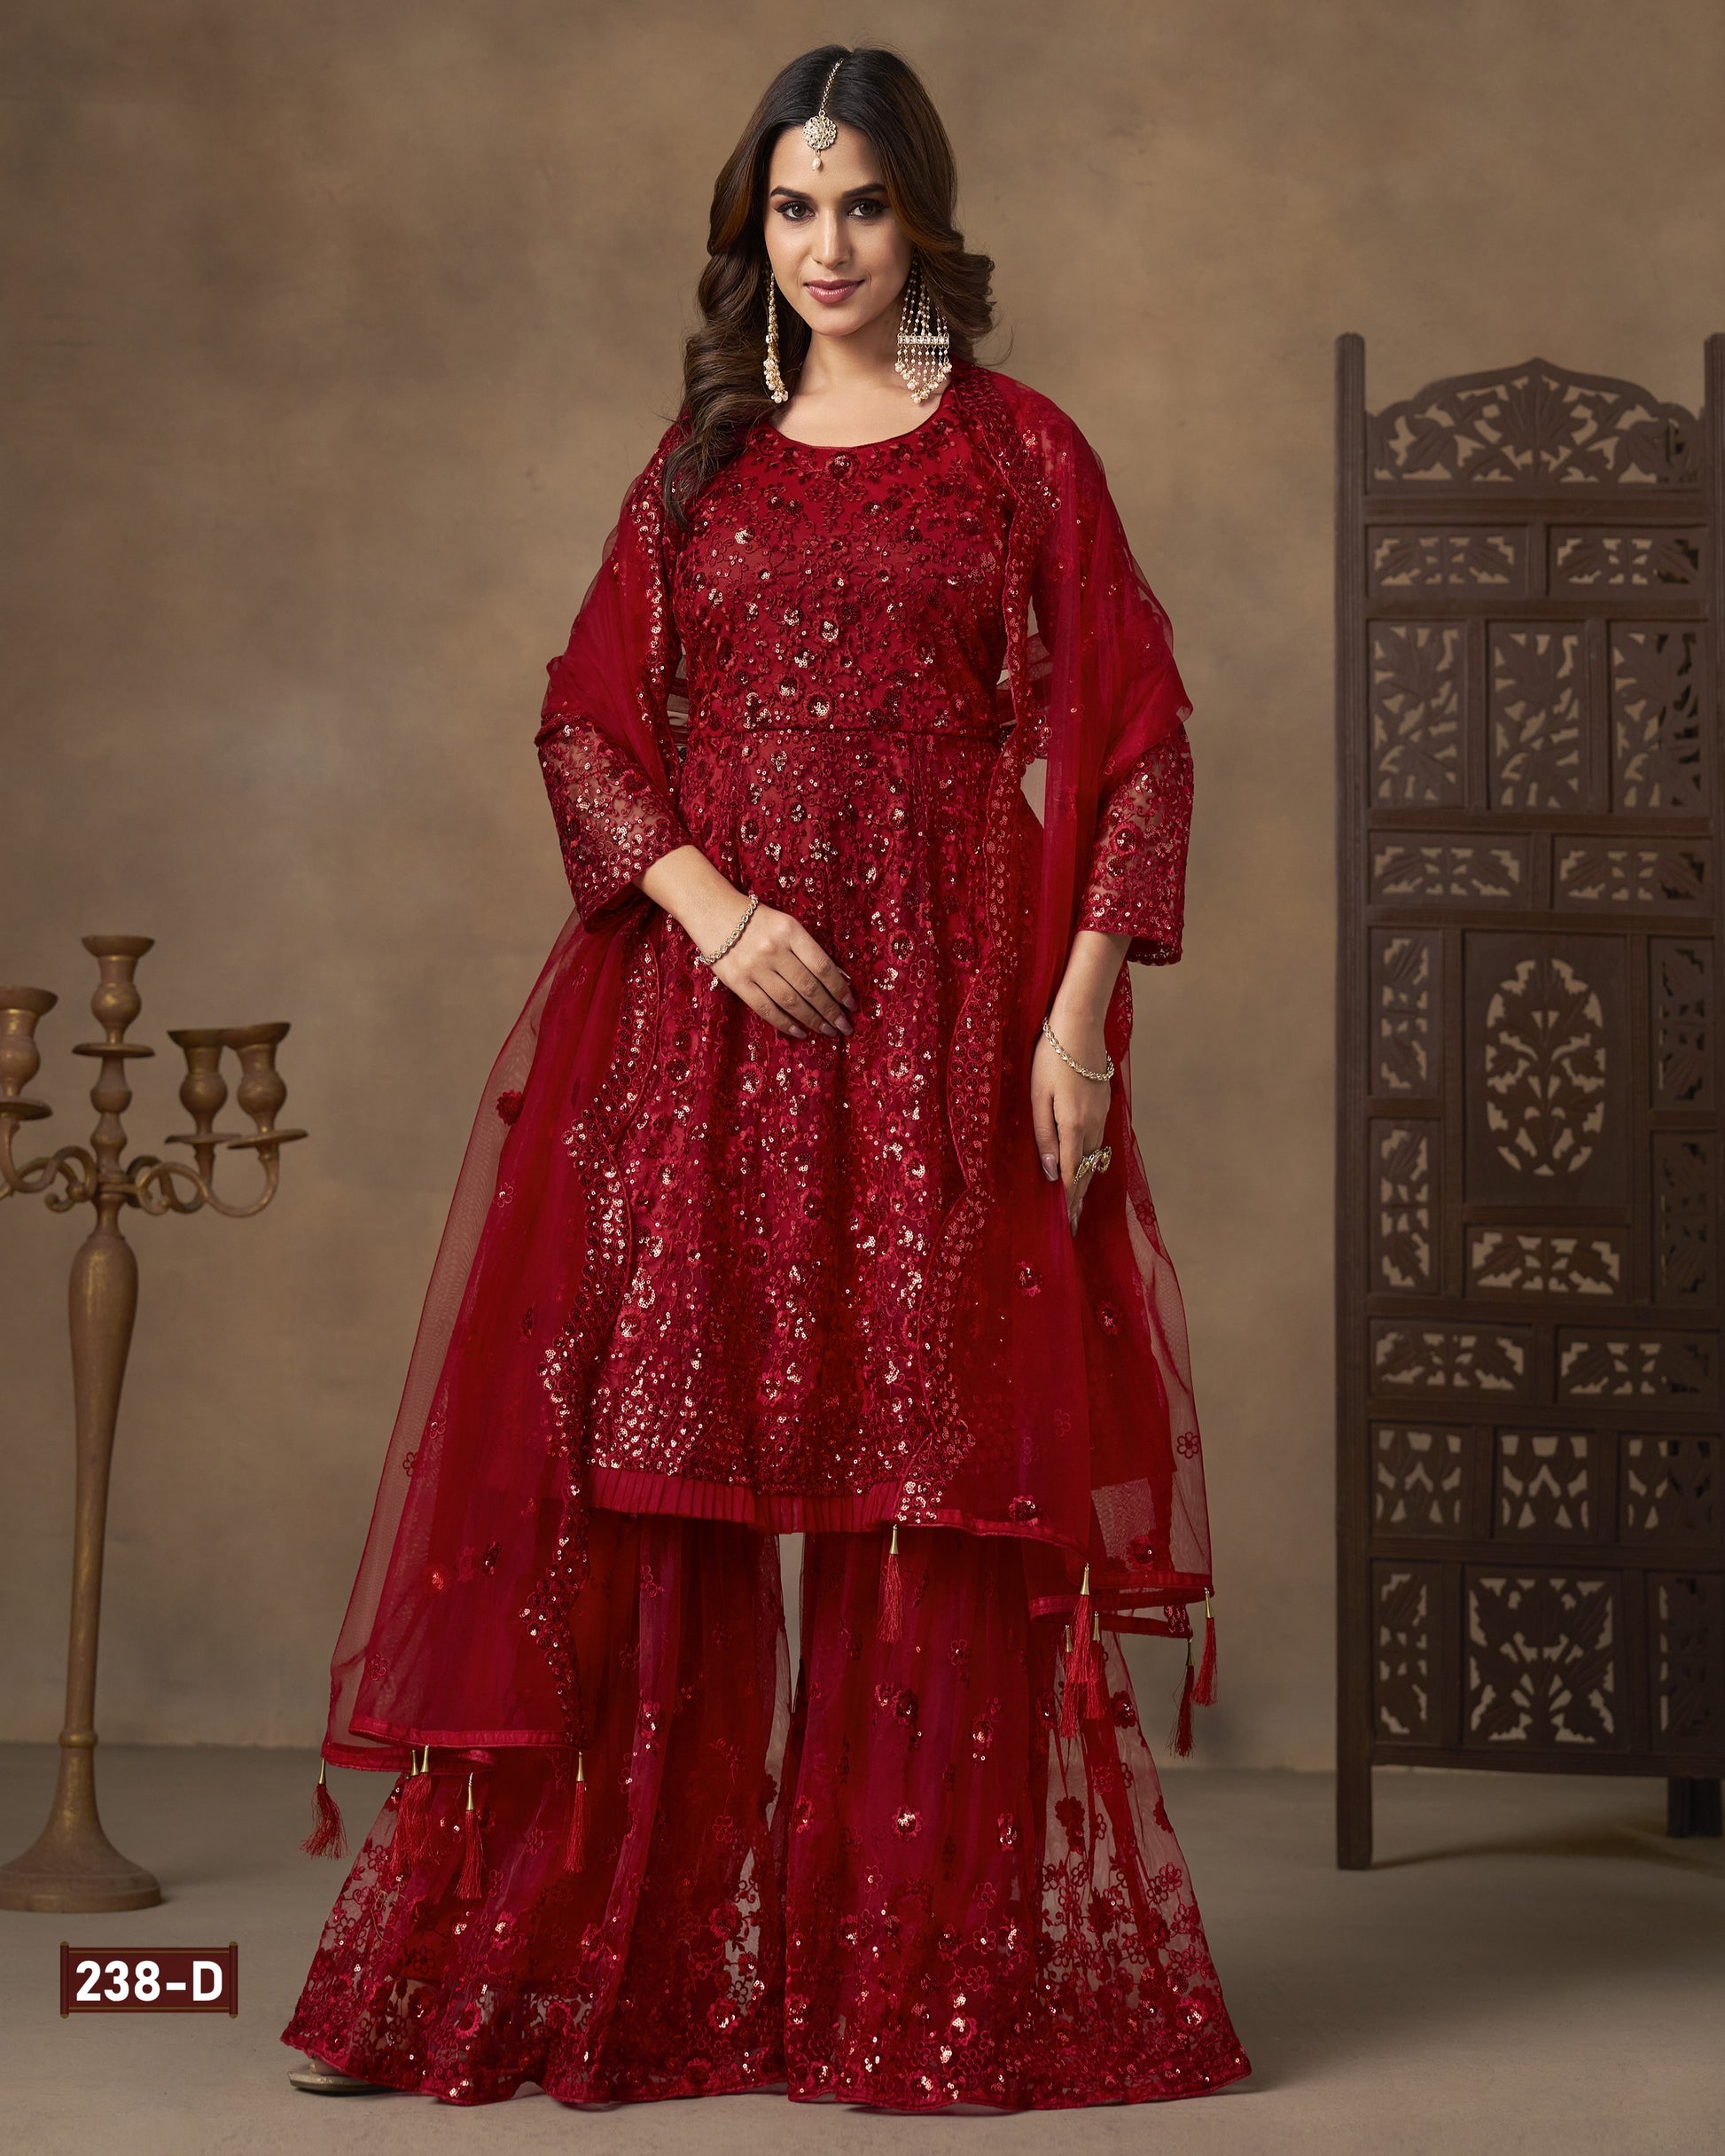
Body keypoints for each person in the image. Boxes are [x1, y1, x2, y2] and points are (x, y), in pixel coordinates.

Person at [281, 42, 1250, 2113]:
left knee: (925, 1491)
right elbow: (584, 730)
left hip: (945, 1031)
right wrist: (715, 914)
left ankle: (908, 1990)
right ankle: (618, 1976)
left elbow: (1140, 738)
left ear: (925, 219)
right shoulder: (697, 468)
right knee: (661, 1497)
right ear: (757, 231)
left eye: (863, 206)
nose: (826, 249)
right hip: (719, 1038)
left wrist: (1072, 1016)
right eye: (791, 210)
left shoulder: (1020, 455)